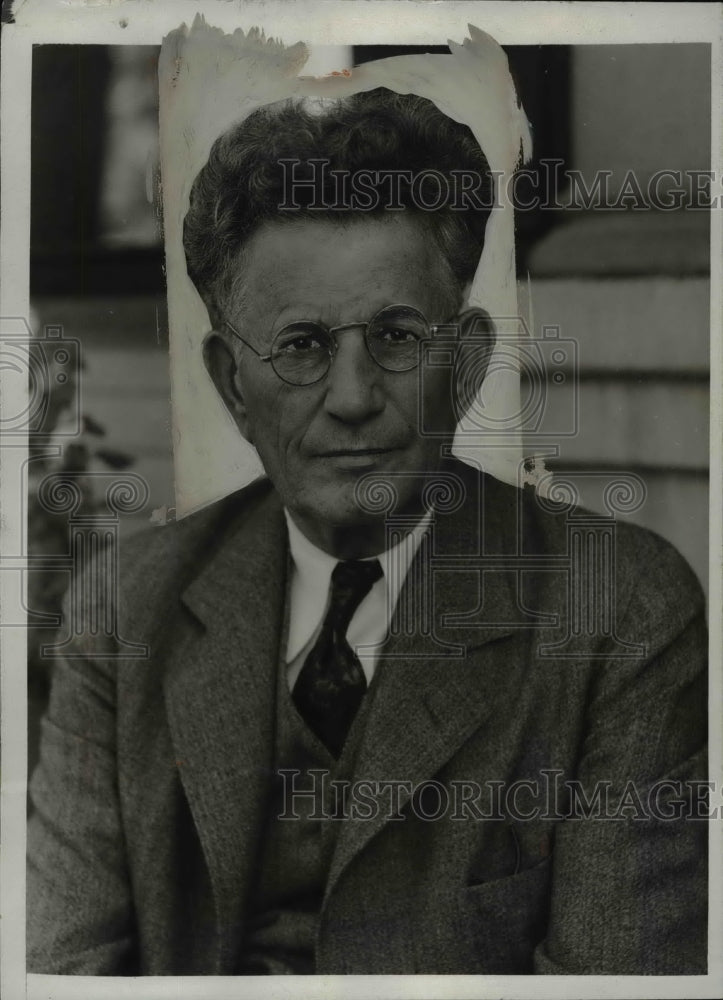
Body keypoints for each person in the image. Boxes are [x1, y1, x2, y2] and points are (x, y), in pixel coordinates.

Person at [27, 89, 708, 976]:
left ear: (463, 366)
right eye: (302, 346)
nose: (351, 397)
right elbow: (61, 972)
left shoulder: (618, 614)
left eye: (395, 336)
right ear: (233, 385)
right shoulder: (123, 612)